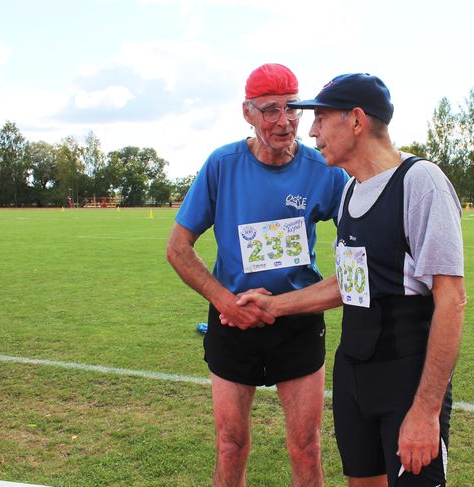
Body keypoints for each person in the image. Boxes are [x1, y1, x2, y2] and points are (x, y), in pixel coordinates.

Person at [228, 73, 465, 486]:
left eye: (321, 118)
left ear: (356, 120)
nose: (312, 131)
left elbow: (452, 300)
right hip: (354, 376)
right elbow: (349, 283)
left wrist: (426, 411)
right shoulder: (351, 191)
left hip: (405, 379)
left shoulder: (420, 182)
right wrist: (274, 305)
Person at [166, 63, 348, 487]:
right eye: (270, 110)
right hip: (233, 321)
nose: (284, 122)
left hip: (297, 323)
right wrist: (225, 301)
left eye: (292, 109)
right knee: (230, 445)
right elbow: (177, 248)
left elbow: (362, 243)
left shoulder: (324, 170)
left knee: (306, 447)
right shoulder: (222, 165)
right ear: (247, 112)